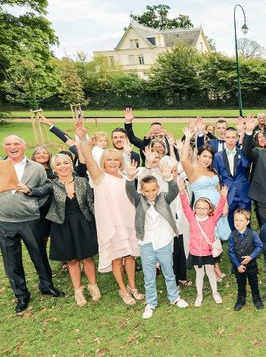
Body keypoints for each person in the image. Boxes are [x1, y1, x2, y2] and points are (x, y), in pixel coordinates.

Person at [76, 119, 143, 306]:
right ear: (103, 162)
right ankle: (122, 290)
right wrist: (82, 139)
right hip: (112, 223)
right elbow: (88, 159)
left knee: (130, 256)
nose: (112, 162)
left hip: (128, 220)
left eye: (115, 160)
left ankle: (132, 286)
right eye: (108, 160)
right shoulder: (99, 177)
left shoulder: (125, 177)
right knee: (117, 257)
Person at [0, 135, 64, 313]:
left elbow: (45, 190)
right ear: (4, 147)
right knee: (11, 260)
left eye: (16, 143)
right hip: (4, 221)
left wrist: (34, 205)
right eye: (8, 144)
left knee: (39, 254)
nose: (13, 147)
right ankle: (21, 295)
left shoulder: (36, 168)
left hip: (30, 219)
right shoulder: (0, 166)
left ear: (23, 145)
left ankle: (46, 285)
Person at [28, 153, 100, 307]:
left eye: (65, 162)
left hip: (83, 223)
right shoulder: (51, 184)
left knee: (87, 257)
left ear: (71, 164)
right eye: (58, 164)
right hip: (62, 225)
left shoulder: (82, 181)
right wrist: (25, 189)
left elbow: (91, 203)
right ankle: (78, 289)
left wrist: (99, 222)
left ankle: (93, 285)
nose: (63, 166)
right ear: (54, 168)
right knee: (72, 259)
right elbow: (37, 191)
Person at [125, 165, 188, 319]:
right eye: (147, 191)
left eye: (153, 190)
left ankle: (174, 297)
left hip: (163, 242)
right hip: (146, 244)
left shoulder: (163, 198)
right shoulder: (139, 201)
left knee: (169, 272)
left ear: (158, 188)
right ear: (141, 190)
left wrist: (168, 177)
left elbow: (174, 190)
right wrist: (130, 178)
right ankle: (151, 303)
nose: (151, 193)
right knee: (149, 276)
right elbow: (129, 190)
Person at [179, 180, 228, 307]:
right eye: (199, 208)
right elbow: (185, 206)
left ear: (209, 209)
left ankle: (215, 293)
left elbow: (220, 209)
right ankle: (199, 295)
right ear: (195, 208)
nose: (201, 210)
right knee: (199, 274)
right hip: (195, 252)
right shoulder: (192, 218)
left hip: (208, 253)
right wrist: (182, 191)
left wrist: (223, 196)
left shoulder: (212, 219)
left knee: (210, 273)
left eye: (205, 208)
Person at [181, 125, 231, 244]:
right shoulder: (192, 171)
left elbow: (219, 190)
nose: (207, 159)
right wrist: (188, 138)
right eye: (204, 156)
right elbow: (183, 160)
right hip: (203, 209)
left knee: (217, 240)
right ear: (198, 156)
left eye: (210, 157)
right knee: (205, 236)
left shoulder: (213, 171)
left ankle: (216, 261)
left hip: (219, 206)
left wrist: (225, 206)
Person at [213, 127, 251, 230]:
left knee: (245, 220)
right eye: (228, 137)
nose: (230, 140)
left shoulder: (243, 153)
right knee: (230, 222)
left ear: (237, 138)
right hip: (228, 193)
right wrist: (221, 194)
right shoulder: (217, 156)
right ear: (224, 138)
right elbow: (216, 177)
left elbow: (247, 167)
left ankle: (246, 242)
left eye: (233, 137)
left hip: (243, 193)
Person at [228, 208, 264, 311]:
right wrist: (237, 265)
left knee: (253, 282)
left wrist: (251, 257)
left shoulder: (253, 234)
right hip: (238, 265)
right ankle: (241, 299)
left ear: (247, 222)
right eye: (236, 220)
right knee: (240, 283)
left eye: (241, 220)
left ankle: (256, 298)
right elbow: (231, 252)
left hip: (251, 264)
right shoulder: (232, 235)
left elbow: (260, 246)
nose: (238, 223)